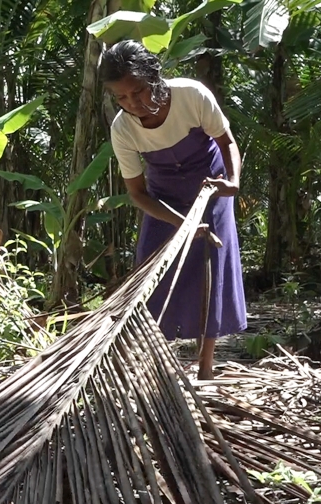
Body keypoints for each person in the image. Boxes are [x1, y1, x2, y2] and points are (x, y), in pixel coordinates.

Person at [100, 39, 247, 380]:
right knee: (154, 277)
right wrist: (180, 222)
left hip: (211, 188)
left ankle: (206, 367)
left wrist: (233, 182)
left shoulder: (192, 96)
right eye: (121, 97)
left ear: (153, 77)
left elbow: (226, 142)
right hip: (163, 199)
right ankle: (158, 369)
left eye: (137, 92)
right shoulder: (122, 129)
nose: (132, 103)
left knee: (212, 268)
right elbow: (137, 192)